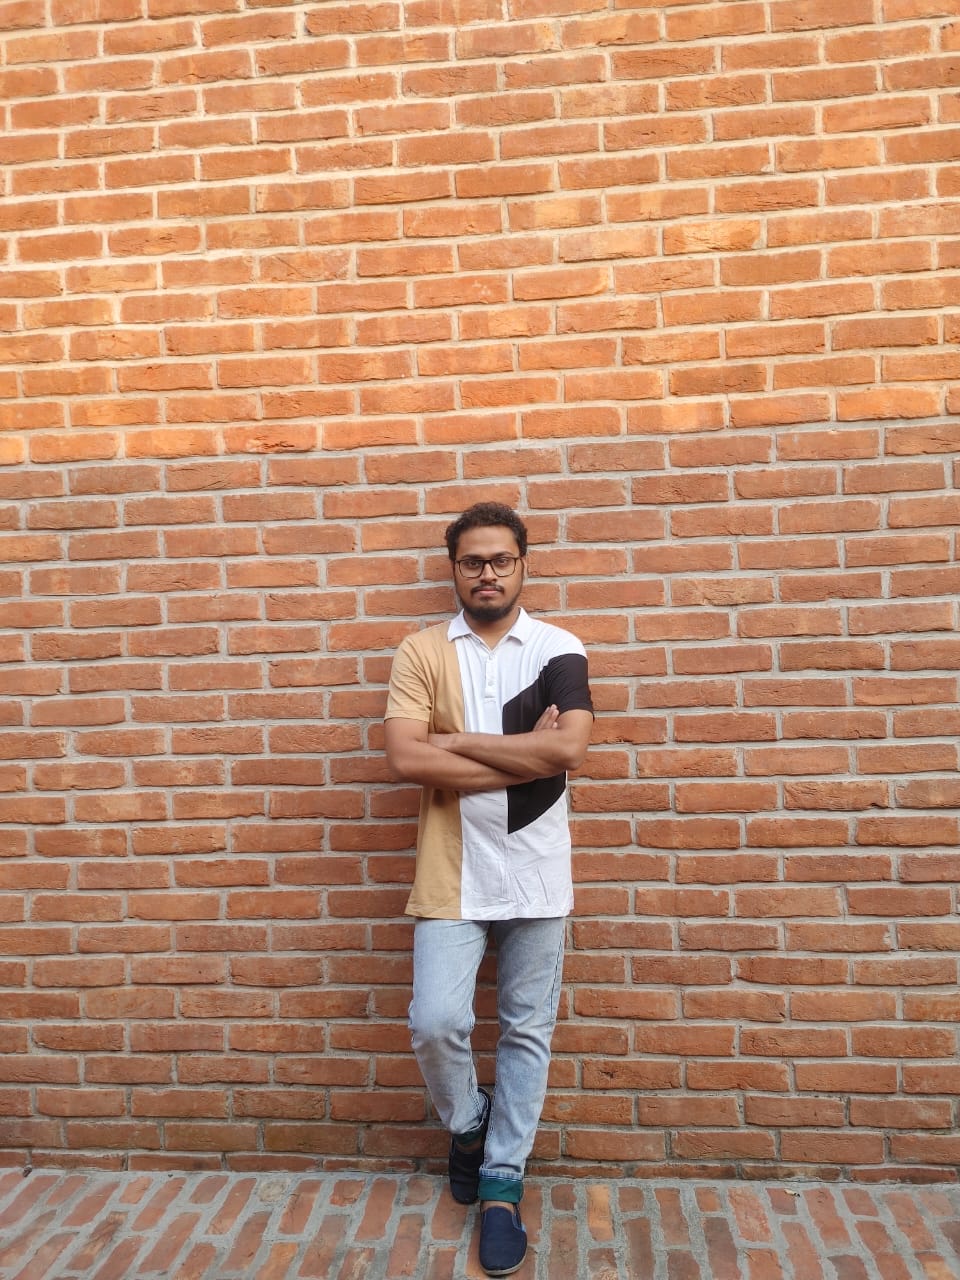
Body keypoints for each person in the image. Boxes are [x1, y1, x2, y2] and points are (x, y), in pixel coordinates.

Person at [384, 502, 593, 1277]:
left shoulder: (558, 648)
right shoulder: (422, 651)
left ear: (521, 564)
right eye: (472, 561)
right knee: (436, 1021)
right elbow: (407, 759)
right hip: (453, 870)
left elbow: (570, 749)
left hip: (537, 871)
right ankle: (469, 1124)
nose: (487, 574)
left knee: (525, 1031)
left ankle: (502, 1182)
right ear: (455, 569)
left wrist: (461, 742)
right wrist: (524, 751)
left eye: (501, 559)